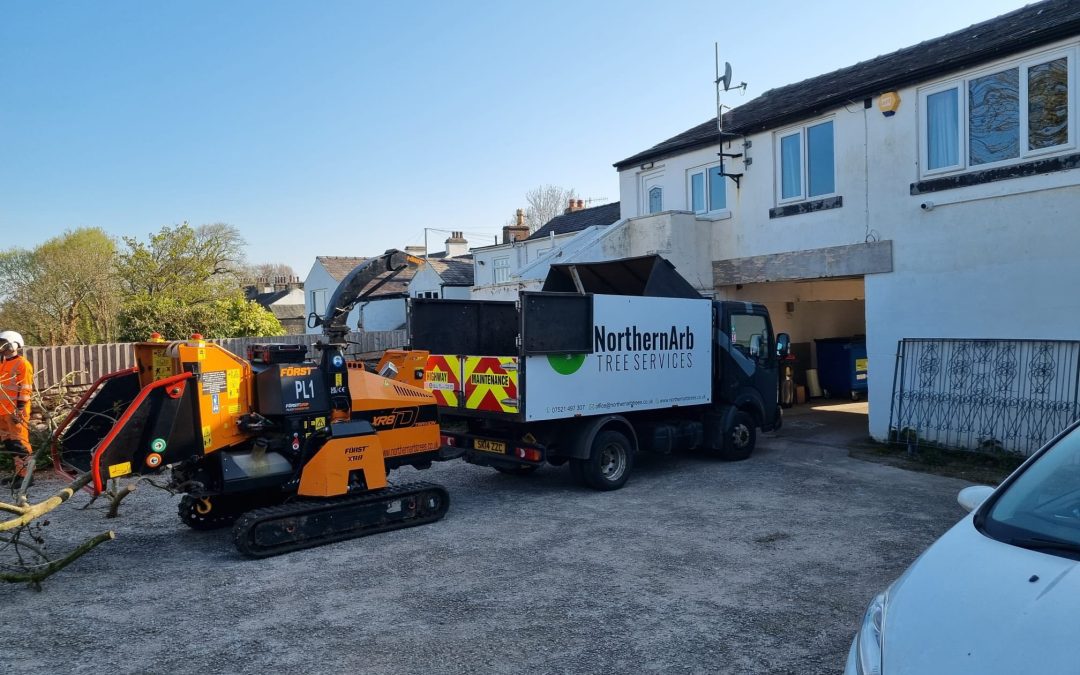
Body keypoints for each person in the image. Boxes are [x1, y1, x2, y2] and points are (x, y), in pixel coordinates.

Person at [0, 331, 33, 487]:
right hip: (3, 411)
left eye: (4, 343)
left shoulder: (22, 364)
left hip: (15, 411)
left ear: (14, 344)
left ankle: (27, 476)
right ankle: (19, 473)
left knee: (20, 444)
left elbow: (25, 389)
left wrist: (19, 410)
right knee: (10, 444)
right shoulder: (3, 362)